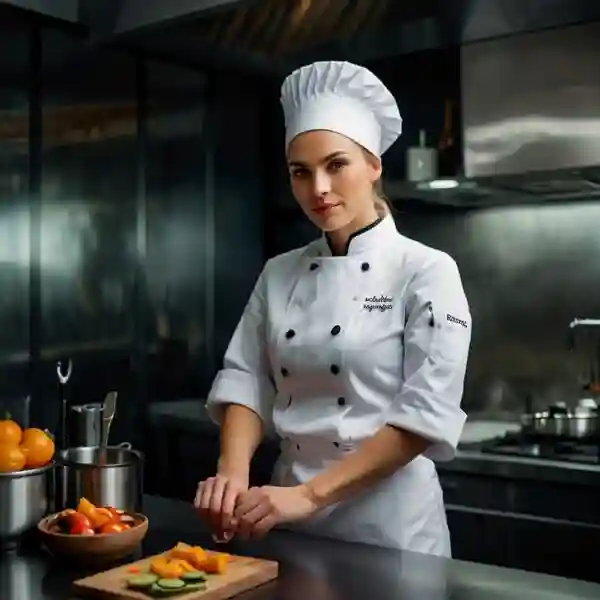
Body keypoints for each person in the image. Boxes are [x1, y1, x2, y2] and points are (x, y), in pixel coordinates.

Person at [194, 60, 472, 557]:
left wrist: (308, 497)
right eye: (301, 172)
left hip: (391, 530)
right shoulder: (280, 273)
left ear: (374, 165)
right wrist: (232, 474)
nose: (318, 188)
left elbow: (423, 414)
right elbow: (245, 378)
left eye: (336, 165)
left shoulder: (427, 271)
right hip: (286, 519)